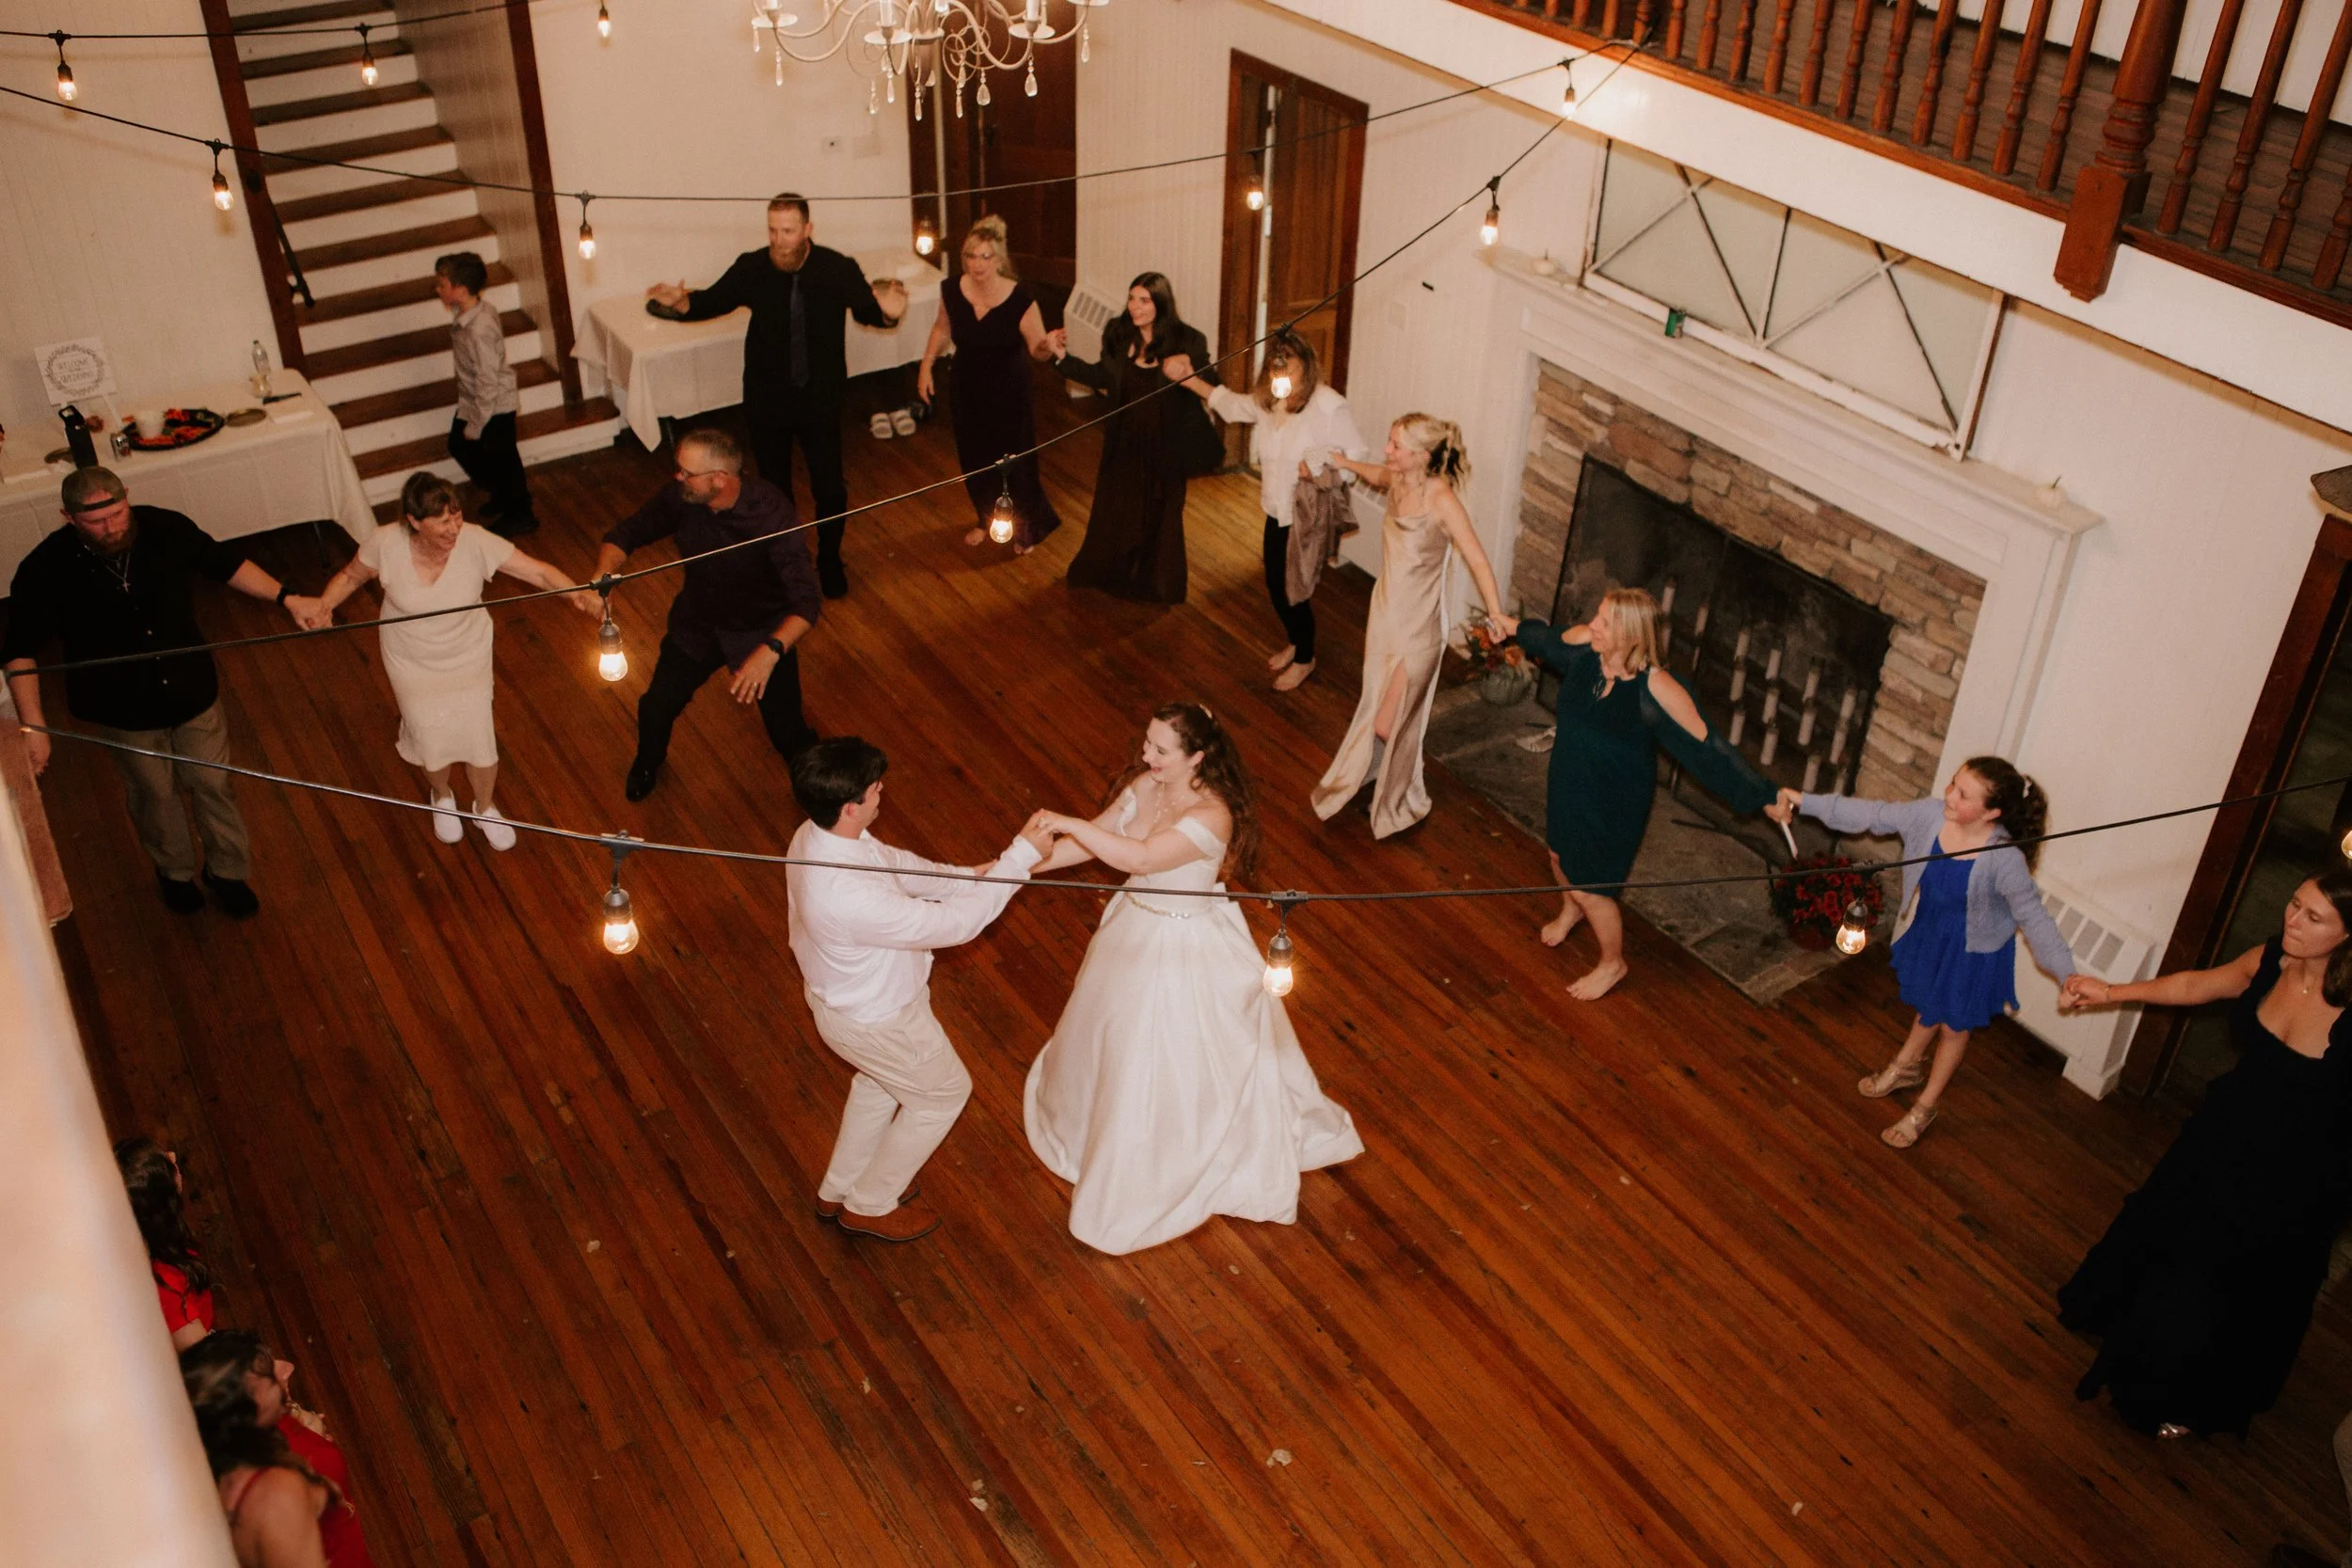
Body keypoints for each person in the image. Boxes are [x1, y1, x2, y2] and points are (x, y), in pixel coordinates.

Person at [1025, 703, 1363, 1255]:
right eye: (1147, 743)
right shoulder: (1146, 782)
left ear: (1198, 757)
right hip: (1134, 926)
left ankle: (1161, 1159)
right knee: (1111, 1040)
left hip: (1183, 943)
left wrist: (1068, 821)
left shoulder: (1212, 816)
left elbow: (1139, 855)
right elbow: (1094, 841)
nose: (1146, 755)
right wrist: (1019, 867)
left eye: (1160, 749)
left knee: (1160, 1052)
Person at [2056, 872, 2352, 1440]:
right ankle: (2127, 1328)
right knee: (2170, 1240)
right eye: (2294, 903)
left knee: (2225, 1285)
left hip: (2295, 1177)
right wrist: (2111, 991)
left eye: (2313, 917)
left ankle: (2184, 1393)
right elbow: (2198, 986)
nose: (2291, 919)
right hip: (2225, 1134)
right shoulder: (2271, 959)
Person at [1, 467, 320, 917]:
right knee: (153, 793)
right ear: (67, 517)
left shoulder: (165, 527)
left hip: (191, 689)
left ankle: (227, 872)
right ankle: (174, 872)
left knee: (214, 784)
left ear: (127, 497)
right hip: (121, 706)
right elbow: (20, 650)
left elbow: (223, 563)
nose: (112, 528)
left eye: (117, 513)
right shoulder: (45, 567)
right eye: (97, 521)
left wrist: (288, 597)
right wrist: (33, 726)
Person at [785, 737, 1053, 1243]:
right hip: (879, 1020)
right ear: (850, 806)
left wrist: (978, 874)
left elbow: (902, 870)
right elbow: (953, 927)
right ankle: (870, 1204)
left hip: (852, 1008)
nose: (881, 791)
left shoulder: (818, 834)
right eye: (874, 789)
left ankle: (839, 1188)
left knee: (881, 1085)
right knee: (943, 1095)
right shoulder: (847, 896)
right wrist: (1018, 860)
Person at [1772, 755, 2074, 1145]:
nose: (1949, 794)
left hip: (1972, 951)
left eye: (1963, 794)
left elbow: (2035, 919)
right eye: (1953, 784)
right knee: (1929, 1003)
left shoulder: (2005, 859)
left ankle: (1925, 1106)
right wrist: (1807, 801)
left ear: (1992, 813)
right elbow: (1873, 813)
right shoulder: (1930, 816)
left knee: (1952, 1024)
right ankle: (1906, 1066)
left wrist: (2067, 973)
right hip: (1933, 933)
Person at [1500, 588, 1777, 1001]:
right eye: (1598, 614)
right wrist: (1514, 628)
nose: (1593, 624)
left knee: (1593, 887)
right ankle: (1571, 908)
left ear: (1630, 636)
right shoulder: (1585, 651)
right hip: (1569, 782)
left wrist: (1765, 796)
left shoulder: (1657, 689)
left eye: (1605, 622)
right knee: (1558, 855)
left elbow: (1711, 751)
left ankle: (1612, 963)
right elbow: (1548, 639)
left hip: (1613, 804)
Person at [301, 473, 599, 848]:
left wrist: (577, 594)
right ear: (412, 521)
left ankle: (484, 806)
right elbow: (350, 577)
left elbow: (536, 570)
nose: (454, 527)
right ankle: (442, 797)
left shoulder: (474, 540)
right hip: (410, 658)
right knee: (430, 735)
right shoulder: (384, 542)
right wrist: (324, 605)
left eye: (456, 516)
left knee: (479, 737)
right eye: (442, 521)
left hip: (466, 654)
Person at [647, 194, 908, 599]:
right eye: (772, 230)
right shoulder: (753, 266)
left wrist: (890, 311)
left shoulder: (837, 268)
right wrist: (681, 303)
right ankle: (787, 561)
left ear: (808, 229)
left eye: (788, 231)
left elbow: (868, 312)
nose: (779, 240)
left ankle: (829, 560)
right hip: (768, 398)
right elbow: (712, 300)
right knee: (773, 490)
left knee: (830, 488)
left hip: (819, 398)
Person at [1309, 415, 1511, 837]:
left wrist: (1496, 614)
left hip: (1419, 627)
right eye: (1389, 441)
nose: (1387, 450)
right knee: (1375, 703)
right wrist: (1340, 459)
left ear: (1421, 454)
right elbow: (1376, 474)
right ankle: (1373, 777)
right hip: (1384, 614)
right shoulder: (1398, 479)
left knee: (1389, 721)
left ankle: (1400, 798)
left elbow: (1476, 558)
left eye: (1396, 445)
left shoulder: (1441, 499)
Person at [595, 429, 823, 802]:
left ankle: (819, 792)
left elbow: (807, 601)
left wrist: (769, 652)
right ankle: (648, 762)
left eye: (686, 472)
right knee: (656, 706)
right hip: (698, 624)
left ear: (719, 479)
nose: (677, 477)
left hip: (760, 630)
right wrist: (605, 573)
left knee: (788, 731)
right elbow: (627, 532)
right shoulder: (683, 497)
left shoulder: (771, 513)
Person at [1175, 329, 1366, 690]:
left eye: (1289, 369)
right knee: (1276, 585)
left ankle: (1306, 658)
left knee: (1294, 589)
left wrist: (1322, 465)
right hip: (1276, 510)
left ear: (1306, 367)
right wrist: (1190, 381)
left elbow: (1356, 456)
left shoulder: (1327, 404)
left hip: (1305, 514)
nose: (1282, 378)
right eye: (1276, 370)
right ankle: (1296, 641)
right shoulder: (1270, 401)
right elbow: (1231, 404)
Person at [1042, 273, 1219, 604]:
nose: (1134, 307)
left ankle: (1157, 584)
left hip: (1166, 446)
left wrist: (1190, 367)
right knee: (1119, 509)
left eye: (1144, 300)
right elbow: (1100, 376)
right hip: (1124, 442)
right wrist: (1061, 358)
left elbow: (1211, 381)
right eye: (1131, 298)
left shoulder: (1188, 340)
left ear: (1160, 303)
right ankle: (1114, 570)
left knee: (1162, 514)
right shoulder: (1119, 334)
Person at [915, 215, 1062, 553]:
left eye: (986, 257)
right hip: (966, 385)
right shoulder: (951, 290)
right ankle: (988, 520)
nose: (977, 264)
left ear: (999, 259)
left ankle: (1026, 526)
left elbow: (1037, 351)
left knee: (1014, 462)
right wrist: (926, 366)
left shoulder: (1021, 298)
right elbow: (942, 328)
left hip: (1009, 390)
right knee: (975, 458)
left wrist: (1048, 346)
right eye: (970, 256)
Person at [183, 1332, 376, 1567]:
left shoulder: (244, 1450)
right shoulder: (277, 1494)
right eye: (269, 1375)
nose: (285, 1369)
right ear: (249, 1407)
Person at [434, 250, 532, 536]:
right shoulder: (471, 311)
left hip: (493, 404)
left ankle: (521, 513)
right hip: (475, 399)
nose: (437, 289)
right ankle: (502, 493)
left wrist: (477, 423)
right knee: (461, 445)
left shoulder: (479, 329)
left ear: (461, 290)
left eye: (442, 285)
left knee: (503, 458)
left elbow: (488, 379)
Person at [114, 1136, 215, 1349]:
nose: (173, 1155)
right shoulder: (166, 1286)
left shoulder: (152, 1239)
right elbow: (204, 1362)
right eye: (168, 1163)